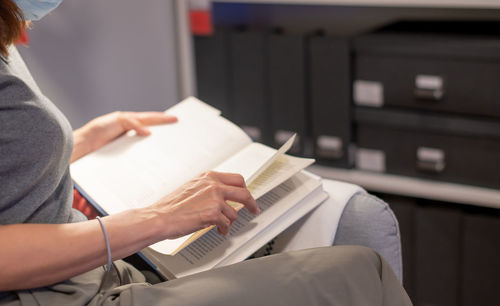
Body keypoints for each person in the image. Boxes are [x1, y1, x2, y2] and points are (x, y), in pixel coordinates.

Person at [0, 0, 412, 305]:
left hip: (87, 274)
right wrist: (159, 218)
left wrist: (78, 141)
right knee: (359, 270)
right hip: (59, 295)